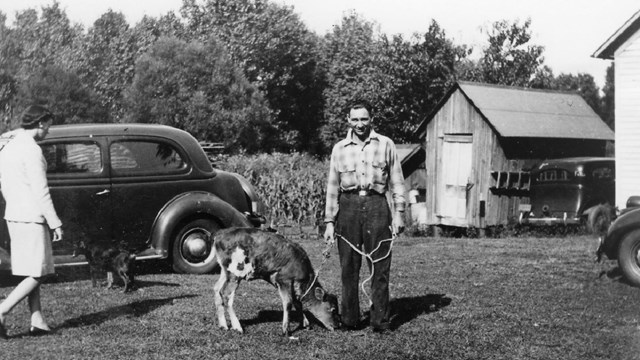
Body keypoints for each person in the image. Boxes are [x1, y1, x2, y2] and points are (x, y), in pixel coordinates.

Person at [323, 99, 405, 333]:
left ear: (372, 120)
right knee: (348, 267)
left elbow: (397, 181)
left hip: (377, 206)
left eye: (364, 119)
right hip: (348, 207)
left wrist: (398, 214)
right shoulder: (339, 148)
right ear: (348, 120)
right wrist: (330, 222)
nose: (360, 124)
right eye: (355, 119)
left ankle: (380, 321)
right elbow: (332, 187)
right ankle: (349, 320)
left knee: (379, 265)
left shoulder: (386, 144)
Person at [0, 105, 63, 339]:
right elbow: (41, 190)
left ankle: (37, 320)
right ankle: (2, 310)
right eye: (47, 125)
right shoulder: (32, 150)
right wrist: (55, 222)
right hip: (32, 217)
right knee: (40, 271)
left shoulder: (8, 148)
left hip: (14, 216)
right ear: (39, 123)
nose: (48, 130)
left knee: (31, 269)